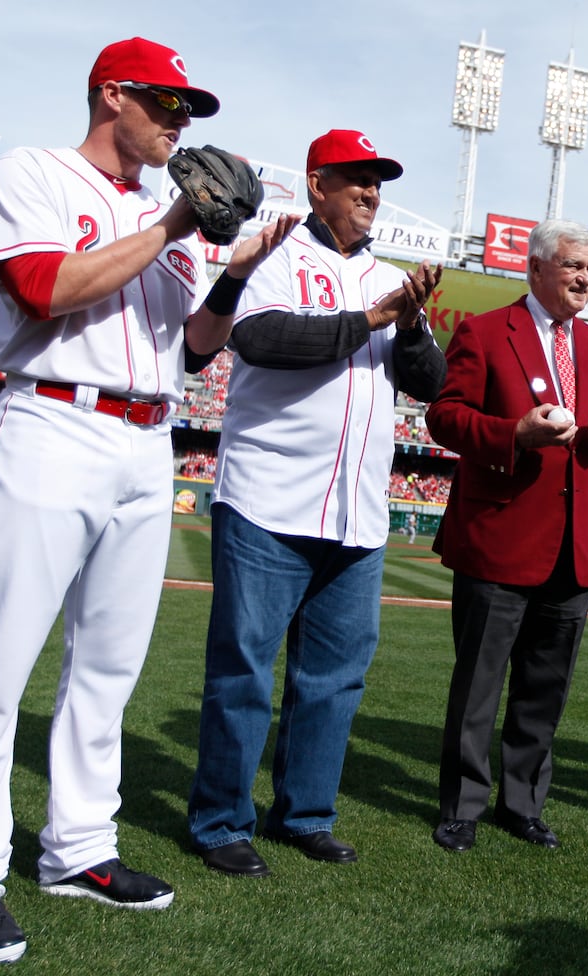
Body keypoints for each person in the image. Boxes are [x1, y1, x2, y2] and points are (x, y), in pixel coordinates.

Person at [0, 37, 298, 964]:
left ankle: (79, 848)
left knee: (108, 669)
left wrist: (238, 270)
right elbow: (44, 289)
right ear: (112, 94)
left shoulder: (158, 218)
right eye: (167, 105)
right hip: (53, 422)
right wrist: (173, 226)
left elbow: (200, 347)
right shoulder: (32, 173)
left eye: (188, 112)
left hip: (146, 440)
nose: (180, 125)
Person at [188, 130, 445, 876]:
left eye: (377, 180)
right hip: (268, 500)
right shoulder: (280, 256)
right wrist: (373, 318)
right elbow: (263, 340)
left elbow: (427, 383)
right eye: (356, 177)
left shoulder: (388, 278)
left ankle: (304, 813)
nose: (370, 190)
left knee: (334, 677)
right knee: (244, 668)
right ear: (316, 184)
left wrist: (410, 320)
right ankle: (220, 823)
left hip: (357, 514)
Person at [427, 219, 588, 852]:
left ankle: (523, 803)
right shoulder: (485, 332)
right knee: (480, 685)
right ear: (536, 268)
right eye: (572, 266)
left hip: (573, 545)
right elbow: (446, 417)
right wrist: (515, 434)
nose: (584, 279)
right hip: (500, 538)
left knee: (546, 688)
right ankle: (462, 805)